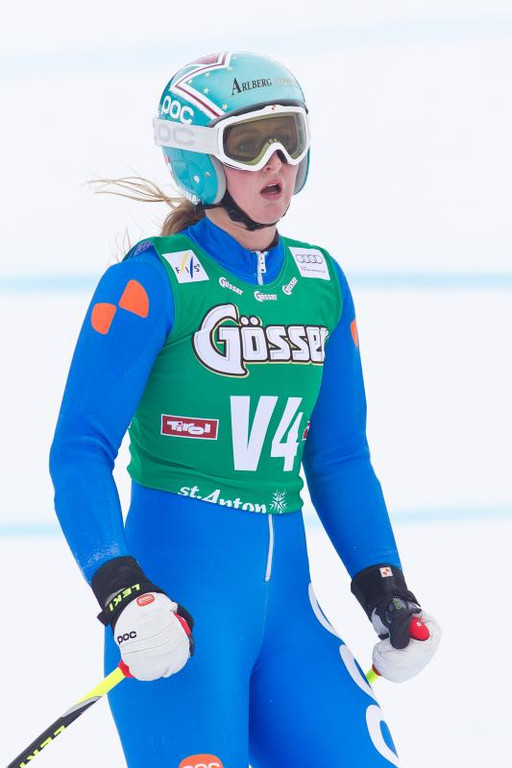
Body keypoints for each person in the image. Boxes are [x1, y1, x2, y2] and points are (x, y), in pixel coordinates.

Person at [50, 51, 440, 768]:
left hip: (291, 626)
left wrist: (384, 587)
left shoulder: (321, 281)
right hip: (175, 623)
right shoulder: (152, 283)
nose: (277, 162)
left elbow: (339, 456)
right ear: (199, 163)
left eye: (289, 137)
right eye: (250, 143)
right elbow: (79, 450)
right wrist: (124, 592)